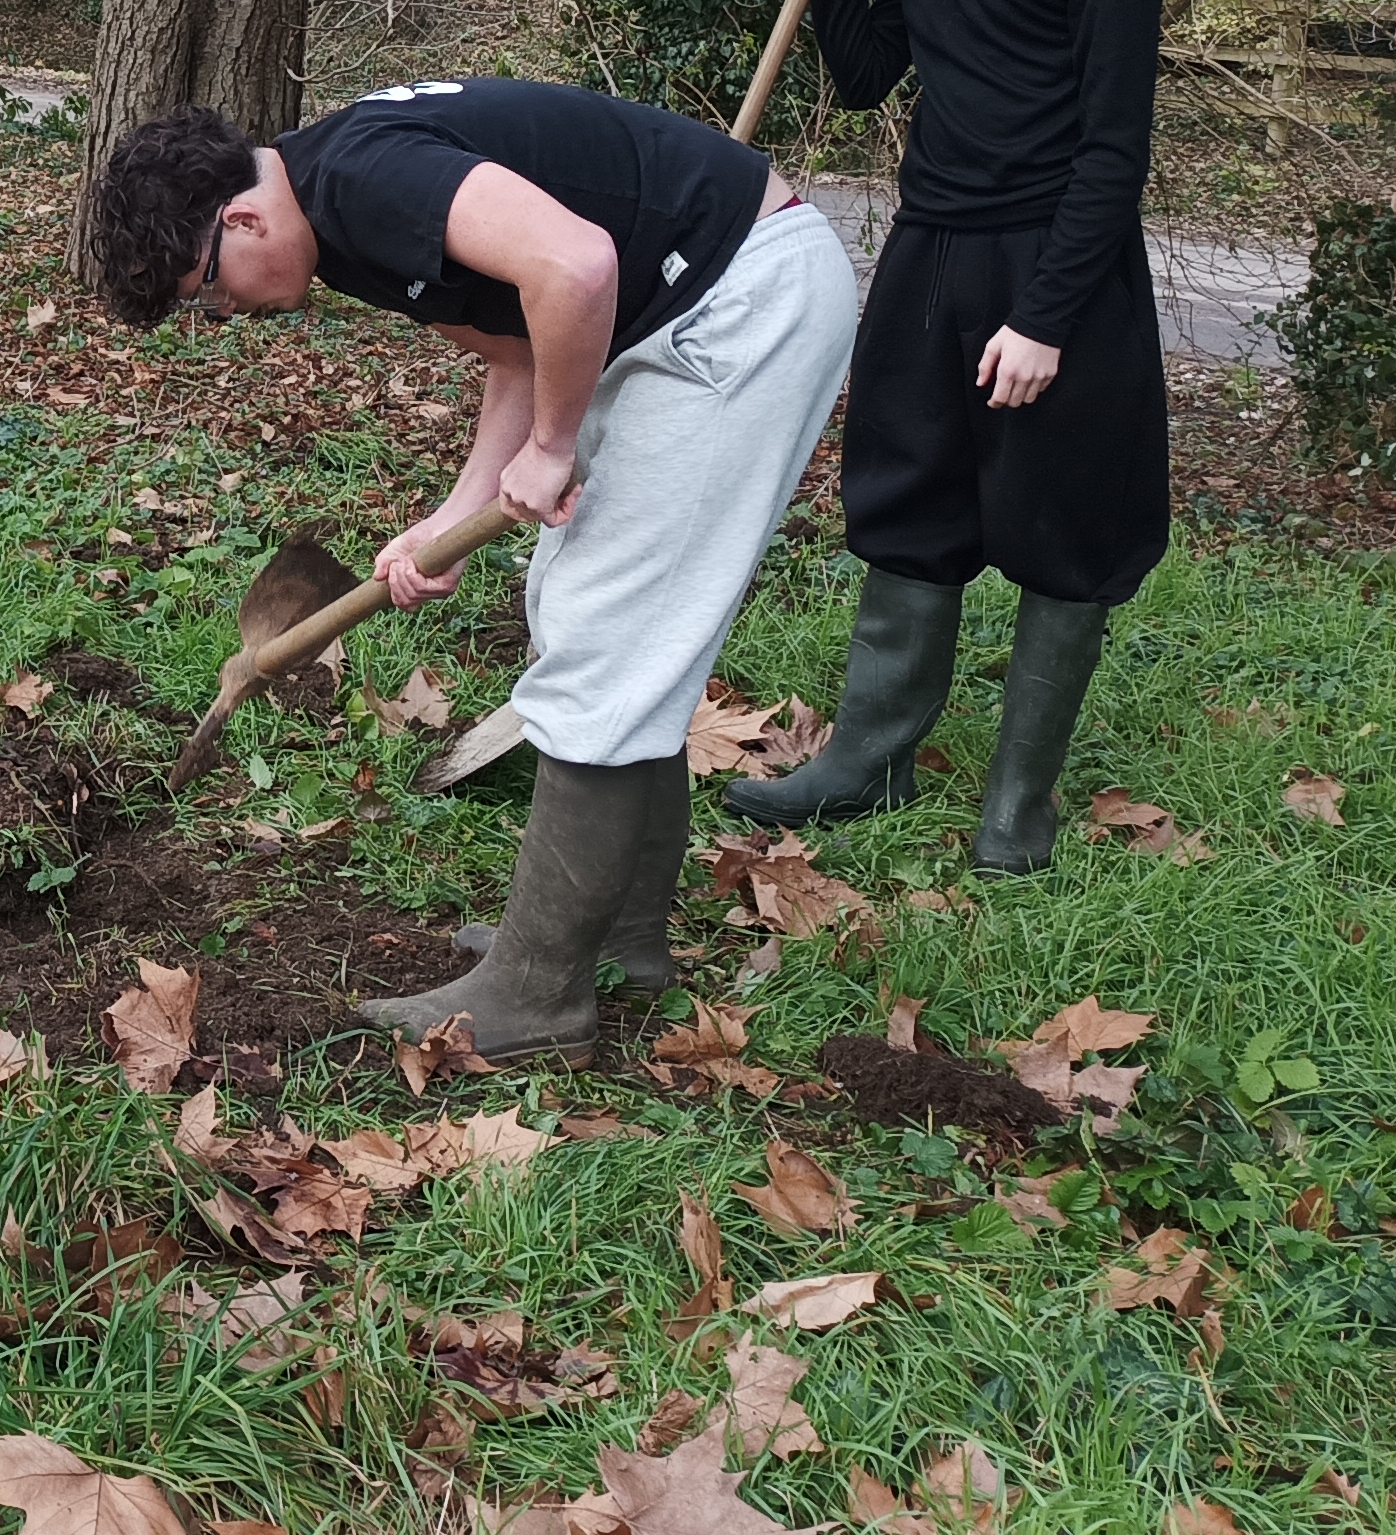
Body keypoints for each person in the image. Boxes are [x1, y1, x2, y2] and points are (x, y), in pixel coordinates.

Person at [88, 81, 857, 1056]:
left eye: (207, 288)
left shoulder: (363, 178)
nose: (225, 311)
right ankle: (613, 939)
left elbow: (576, 269)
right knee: (578, 613)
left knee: (610, 638)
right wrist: (452, 514)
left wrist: (553, 444)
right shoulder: (333, 214)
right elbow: (515, 346)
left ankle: (537, 997)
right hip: (685, 300)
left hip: (740, 302)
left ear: (238, 218)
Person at [726, 0, 1168, 872]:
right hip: (931, 255)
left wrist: (1045, 318)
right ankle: (868, 760)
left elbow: (1111, 151)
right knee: (908, 497)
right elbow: (869, 76)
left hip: (1058, 269)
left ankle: (1018, 802)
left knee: (1062, 520)